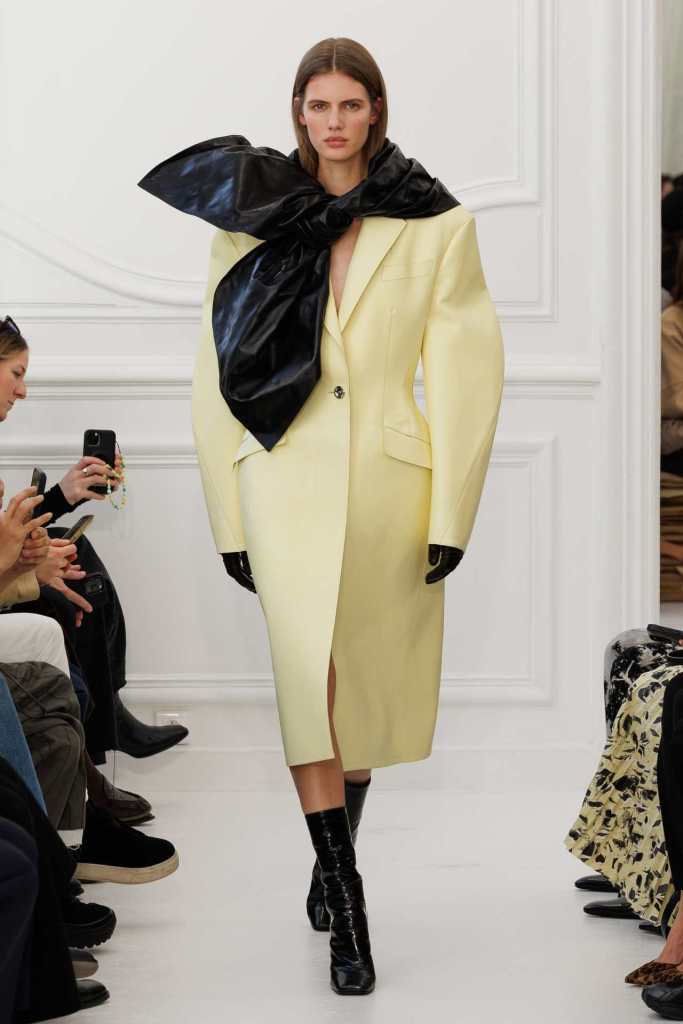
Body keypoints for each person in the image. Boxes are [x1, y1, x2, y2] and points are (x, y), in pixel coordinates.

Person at [139, 36, 504, 995]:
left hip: (390, 490)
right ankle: (349, 902)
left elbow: (465, 375)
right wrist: (227, 517)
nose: (334, 122)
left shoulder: (434, 222)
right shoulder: (251, 220)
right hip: (280, 479)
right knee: (310, 685)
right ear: (297, 112)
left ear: (374, 109)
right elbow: (214, 377)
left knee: (361, 696)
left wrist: (452, 511)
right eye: (318, 105)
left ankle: (327, 850)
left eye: (350, 104)